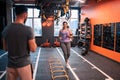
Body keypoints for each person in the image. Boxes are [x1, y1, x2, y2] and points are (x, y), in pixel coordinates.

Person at [2, 5, 37, 80]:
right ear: (25, 15)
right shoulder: (28, 30)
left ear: (15, 14)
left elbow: (5, 48)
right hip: (24, 65)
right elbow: (33, 49)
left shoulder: (6, 29)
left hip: (10, 65)